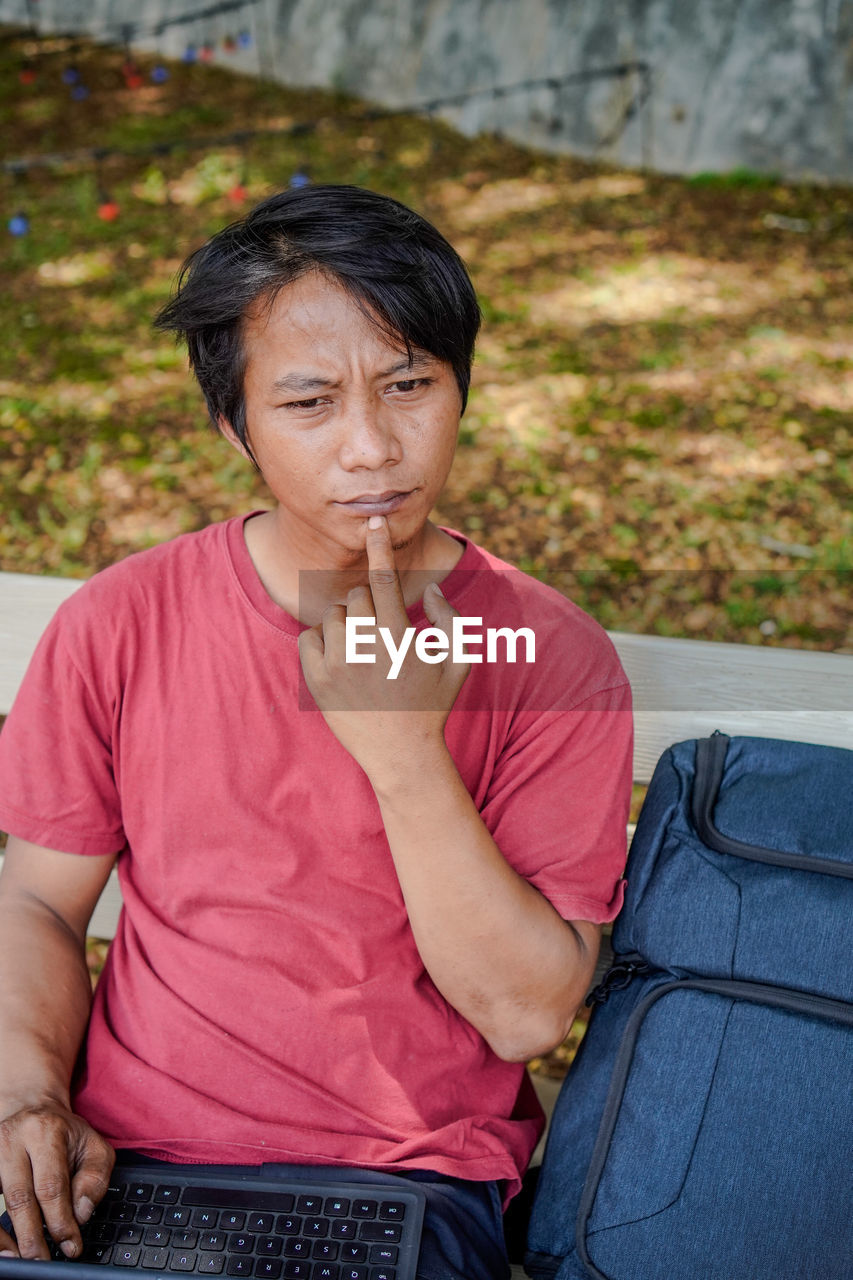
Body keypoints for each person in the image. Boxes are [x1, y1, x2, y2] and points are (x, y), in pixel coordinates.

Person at [0, 185, 632, 1279]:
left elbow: (527, 1012)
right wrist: (25, 1093)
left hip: (408, 1178)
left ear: (460, 387)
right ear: (232, 421)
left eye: (408, 385)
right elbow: (36, 903)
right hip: (129, 1164)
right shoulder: (122, 621)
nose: (372, 447)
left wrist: (401, 753)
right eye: (308, 403)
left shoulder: (550, 654)